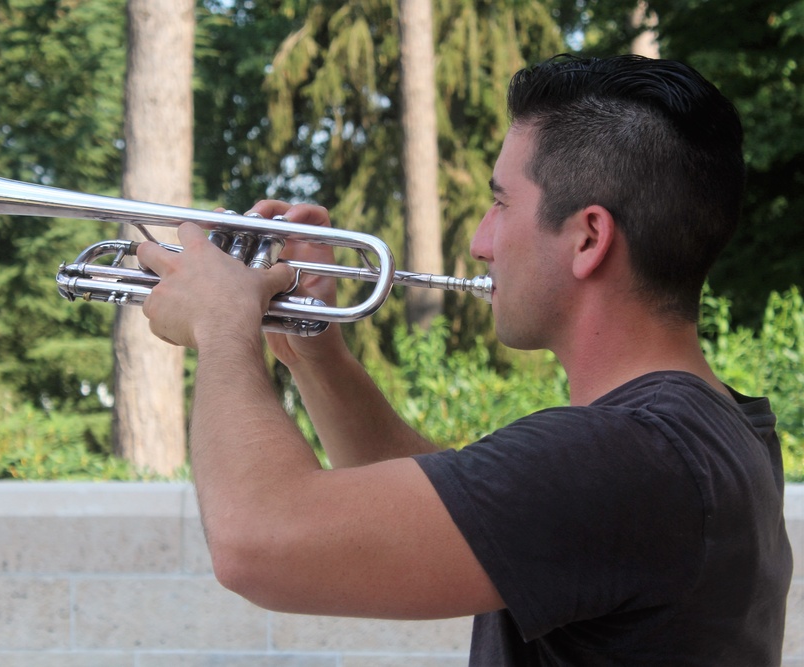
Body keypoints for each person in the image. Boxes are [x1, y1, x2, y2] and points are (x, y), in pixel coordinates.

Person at [136, 54, 792, 666]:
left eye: (501, 203)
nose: (480, 241)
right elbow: (458, 503)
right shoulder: (709, 432)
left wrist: (222, 325)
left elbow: (256, 542)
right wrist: (314, 353)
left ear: (589, 237)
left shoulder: (630, 454)